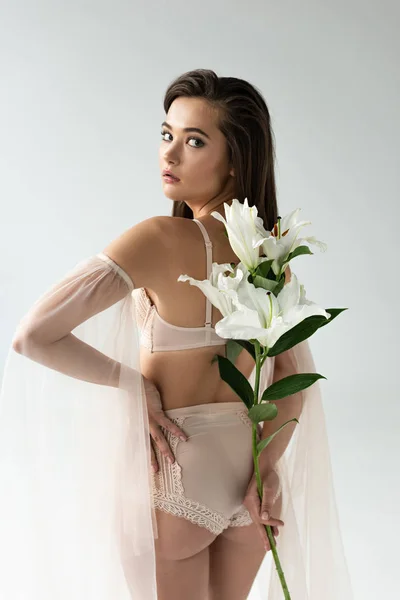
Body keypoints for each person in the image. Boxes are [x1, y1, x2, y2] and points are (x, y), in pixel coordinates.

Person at [0, 69, 353, 600]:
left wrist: (134, 386)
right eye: (167, 135)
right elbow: (294, 378)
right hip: (251, 476)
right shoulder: (268, 256)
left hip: (176, 475)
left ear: (235, 160)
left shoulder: (159, 238)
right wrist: (270, 469)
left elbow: (32, 335)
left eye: (194, 141)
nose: (170, 155)